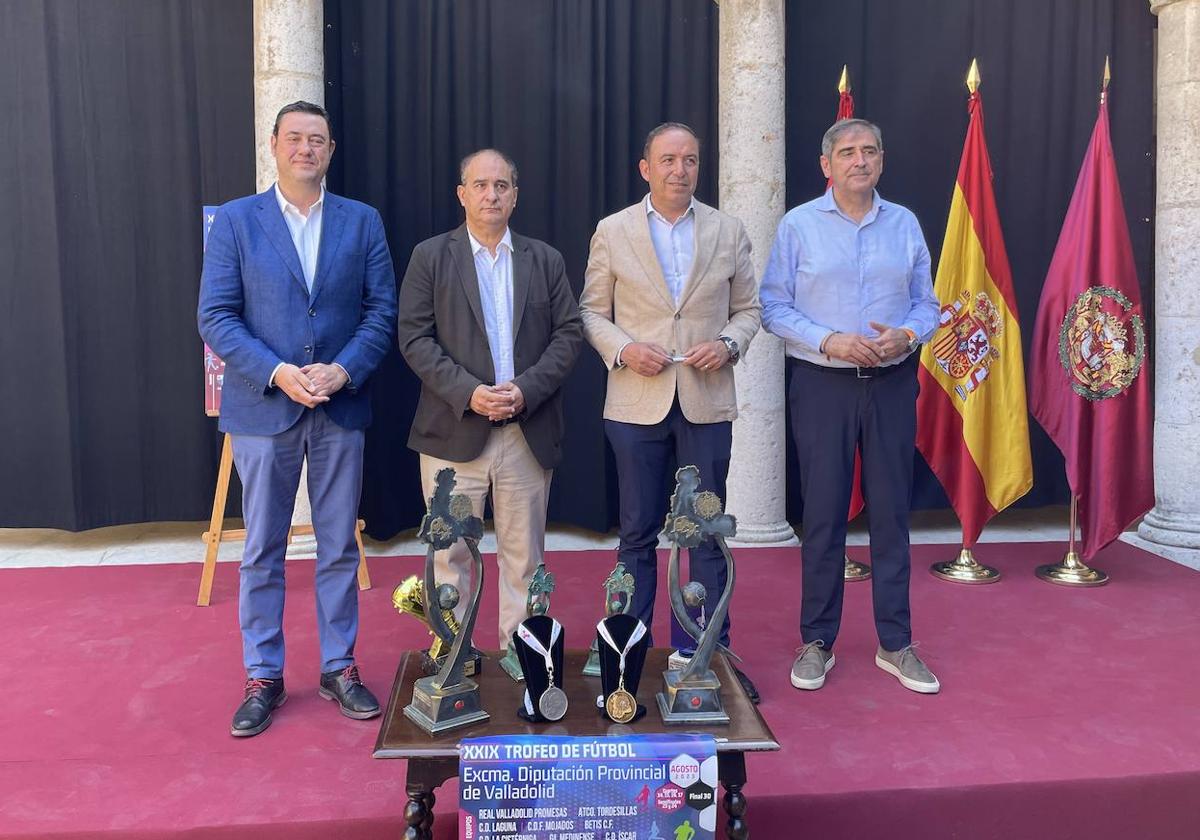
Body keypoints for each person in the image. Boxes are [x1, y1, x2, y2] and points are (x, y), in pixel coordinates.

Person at [198, 101, 398, 736]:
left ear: (331, 149)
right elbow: (217, 316)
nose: (305, 149)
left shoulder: (362, 222)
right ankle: (264, 675)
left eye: (317, 140)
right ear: (275, 145)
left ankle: (340, 667)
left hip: (340, 407)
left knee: (339, 544)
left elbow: (381, 312)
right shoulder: (235, 221)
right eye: (294, 139)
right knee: (261, 550)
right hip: (263, 409)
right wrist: (278, 372)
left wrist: (344, 370)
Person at [579, 122, 762, 702]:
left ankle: (707, 655)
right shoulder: (612, 231)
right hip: (637, 400)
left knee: (706, 534)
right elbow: (590, 312)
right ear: (645, 168)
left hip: (706, 400)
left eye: (689, 160)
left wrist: (729, 344)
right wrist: (624, 349)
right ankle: (628, 656)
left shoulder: (728, 230)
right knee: (636, 533)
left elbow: (749, 309)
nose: (679, 170)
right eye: (667, 160)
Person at [760, 117, 941, 694]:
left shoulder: (905, 224)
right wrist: (829, 339)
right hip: (823, 383)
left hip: (890, 382)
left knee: (891, 515)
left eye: (869, 151)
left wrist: (908, 336)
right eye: (847, 152)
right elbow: (773, 307)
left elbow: (928, 305)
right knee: (823, 516)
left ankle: (896, 642)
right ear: (827, 165)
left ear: (882, 161)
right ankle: (817, 640)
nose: (859, 161)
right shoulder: (799, 226)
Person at [397, 149, 582, 649]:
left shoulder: (545, 260)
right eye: (480, 185)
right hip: (452, 436)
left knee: (524, 560)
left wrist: (526, 390)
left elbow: (568, 335)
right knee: (448, 558)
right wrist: (469, 393)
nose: (491, 194)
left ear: (515, 196)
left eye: (502, 185)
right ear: (462, 194)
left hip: (527, 433)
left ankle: (520, 662)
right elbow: (414, 339)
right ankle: (452, 660)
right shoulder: (430, 257)